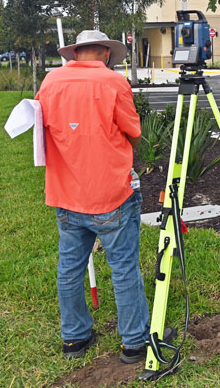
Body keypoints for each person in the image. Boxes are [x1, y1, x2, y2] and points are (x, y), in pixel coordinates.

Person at [35, 30, 150, 363]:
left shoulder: (50, 82)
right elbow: (134, 132)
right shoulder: (113, 83)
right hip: (111, 192)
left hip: (66, 193)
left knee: (69, 269)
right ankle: (134, 341)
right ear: (106, 54)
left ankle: (74, 338)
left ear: (75, 53)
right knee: (124, 268)